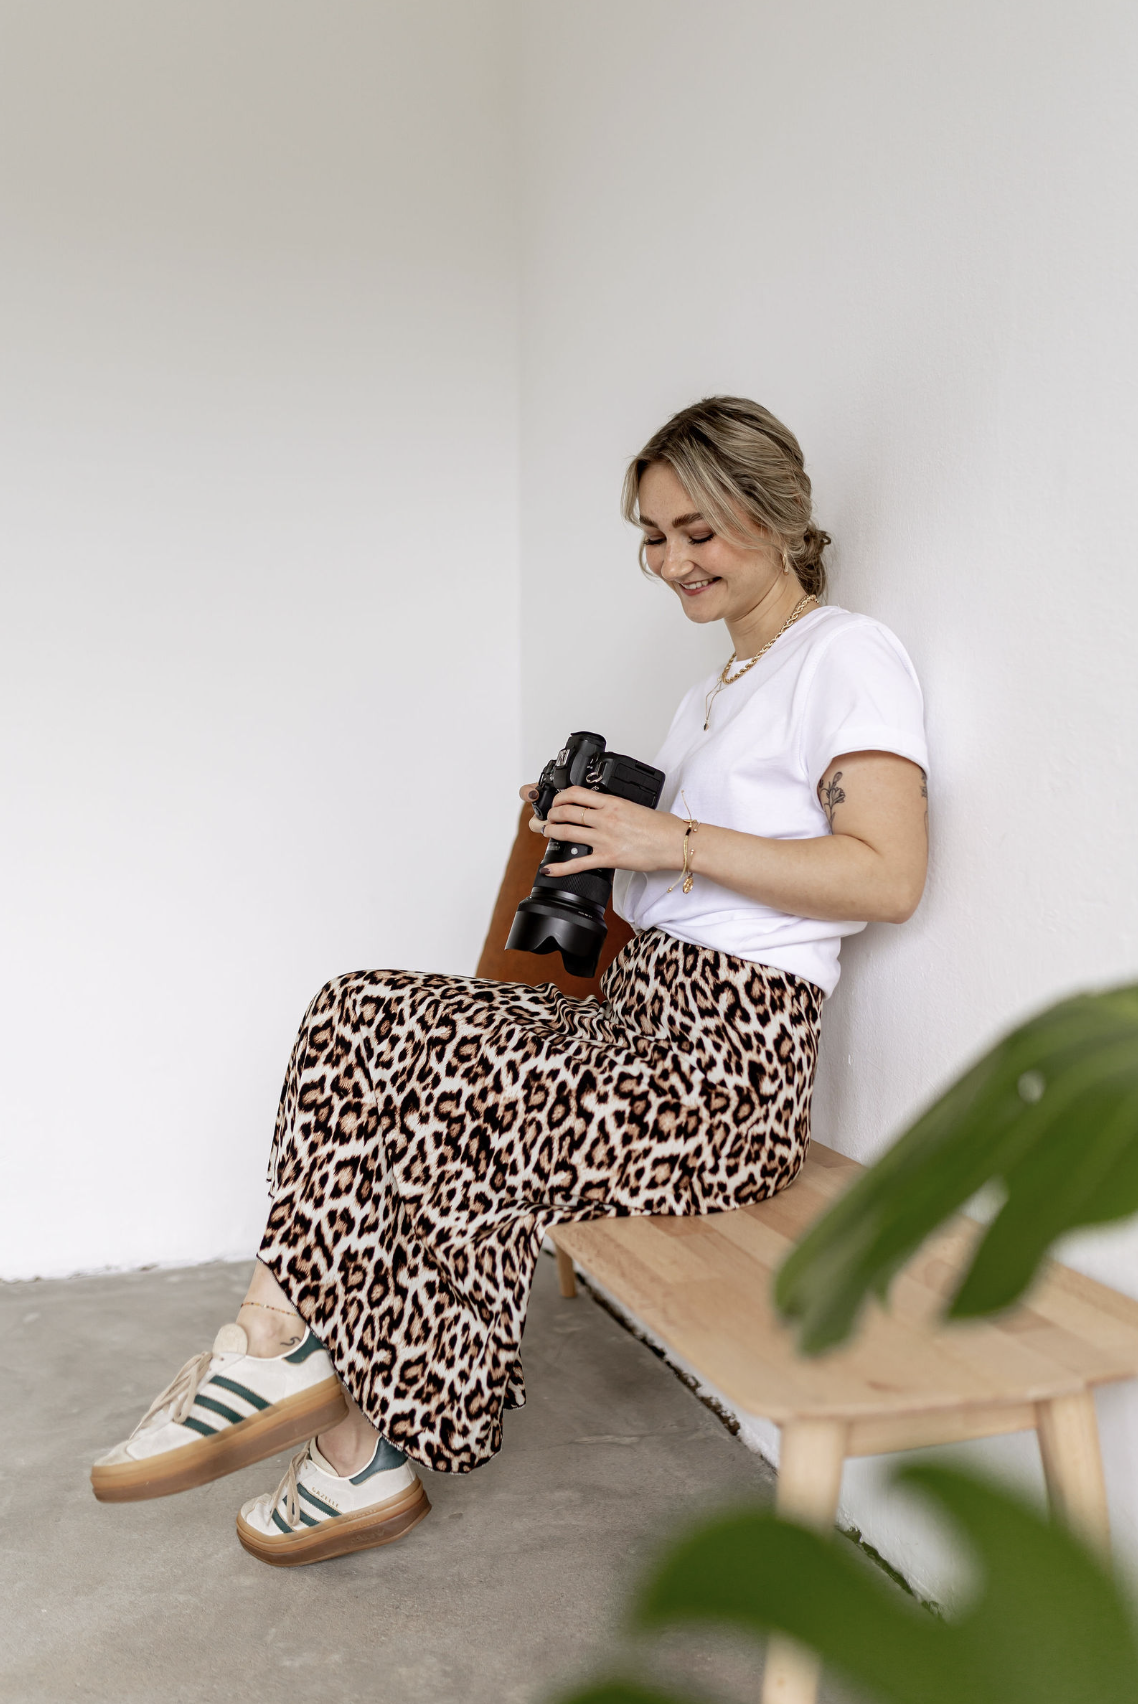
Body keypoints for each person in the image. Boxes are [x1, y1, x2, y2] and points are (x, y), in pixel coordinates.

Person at [91, 395, 929, 1566]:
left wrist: (666, 842)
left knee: (447, 1093)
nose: (671, 562)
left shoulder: (845, 656)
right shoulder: (712, 696)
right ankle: (287, 1364)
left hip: (722, 1082)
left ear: (776, 515)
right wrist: (583, 838)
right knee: (361, 1009)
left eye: (699, 531)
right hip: (642, 1024)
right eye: (652, 535)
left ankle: (321, 1418)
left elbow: (885, 875)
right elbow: (682, 893)